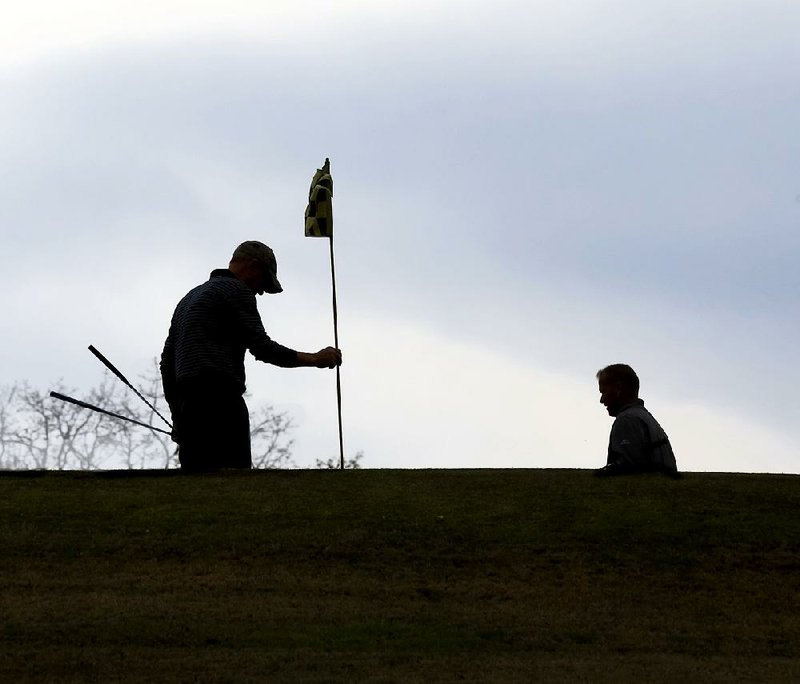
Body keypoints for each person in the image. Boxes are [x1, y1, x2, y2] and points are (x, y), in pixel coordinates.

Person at [160, 240, 342, 471]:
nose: (261, 291)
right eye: (264, 282)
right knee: (234, 482)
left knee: (195, 486)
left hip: (189, 406)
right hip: (221, 402)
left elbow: (167, 362)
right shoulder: (235, 291)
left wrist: (179, 414)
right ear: (254, 266)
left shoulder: (188, 299)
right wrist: (315, 359)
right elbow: (262, 347)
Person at [595, 364, 679, 477]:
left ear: (618, 388)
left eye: (604, 392)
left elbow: (628, 469)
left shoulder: (627, 420)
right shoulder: (643, 417)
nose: (602, 400)